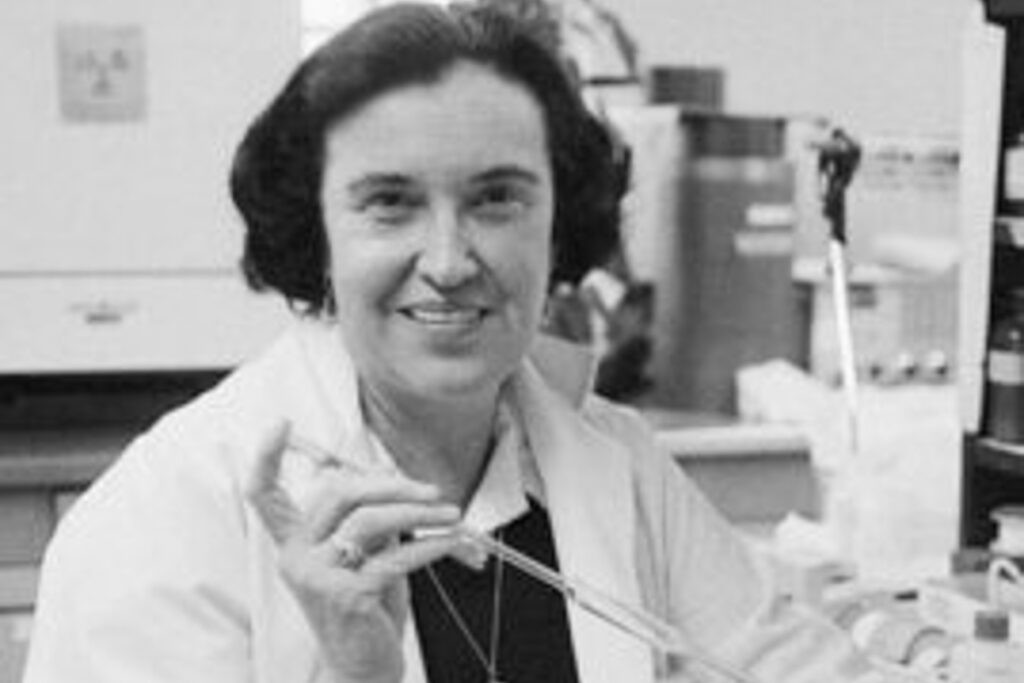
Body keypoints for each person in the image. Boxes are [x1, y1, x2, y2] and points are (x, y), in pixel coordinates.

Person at [24, 3, 882, 682]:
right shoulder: (160, 519)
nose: (447, 261)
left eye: (497, 198)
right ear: (315, 231)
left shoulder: (615, 465)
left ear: (559, 224)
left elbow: (787, 662)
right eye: (389, 202)